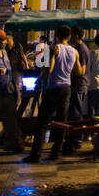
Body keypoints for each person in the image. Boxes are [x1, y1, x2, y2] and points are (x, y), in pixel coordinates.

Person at [24, 25, 81, 163]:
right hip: (67, 88)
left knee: (42, 122)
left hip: (53, 88)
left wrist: (39, 80)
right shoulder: (75, 52)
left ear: (56, 35)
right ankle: (56, 151)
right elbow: (78, 72)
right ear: (68, 36)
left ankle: (36, 154)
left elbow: (49, 70)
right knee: (61, 121)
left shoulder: (54, 49)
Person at [65, 26, 93, 150]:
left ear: (76, 36)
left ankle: (76, 140)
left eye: (71, 35)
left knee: (76, 111)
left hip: (79, 82)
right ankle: (75, 138)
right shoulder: (81, 48)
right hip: (81, 82)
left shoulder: (81, 49)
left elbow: (80, 70)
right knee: (75, 110)